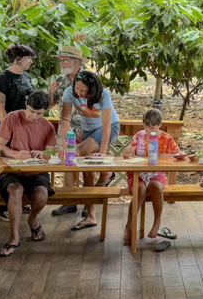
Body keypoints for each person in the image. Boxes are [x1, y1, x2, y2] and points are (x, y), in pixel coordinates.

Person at [0, 91, 56, 257]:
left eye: (39, 113)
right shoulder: (12, 118)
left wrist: (42, 154)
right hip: (10, 170)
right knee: (16, 190)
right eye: (31, 112)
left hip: (35, 170)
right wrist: (14, 154)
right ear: (26, 105)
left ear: (45, 111)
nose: (34, 116)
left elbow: (50, 153)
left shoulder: (48, 127)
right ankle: (14, 238)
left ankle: (32, 219)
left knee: (41, 195)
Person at [60, 70, 120, 231]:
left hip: (109, 128)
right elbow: (65, 119)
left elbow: (106, 125)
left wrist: (103, 152)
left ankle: (81, 202)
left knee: (78, 153)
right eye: (76, 89)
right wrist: (65, 144)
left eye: (83, 91)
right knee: (78, 161)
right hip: (88, 130)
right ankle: (82, 207)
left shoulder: (103, 94)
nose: (78, 93)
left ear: (91, 90)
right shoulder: (69, 93)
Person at [122, 108, 180, 250]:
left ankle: (156, 222)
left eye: (152, 128)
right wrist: (127, 153)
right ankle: (129, 226)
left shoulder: (166, 138)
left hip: (156, 172)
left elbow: (178, 155)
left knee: (157, 186)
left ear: (159, 125)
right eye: (146, 127)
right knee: (140, 189)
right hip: (138, 172)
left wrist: (162, 157)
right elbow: (128, 155)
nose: (148, 131)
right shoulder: (139, 136)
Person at [0, 44, 35, 222]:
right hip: (7, 129)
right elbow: (0, 108)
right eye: (29, 58)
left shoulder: (26, 77)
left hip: (24, 128)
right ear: (19, 59)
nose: (31, 62)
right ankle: (3, 207)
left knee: (21, 165)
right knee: (6, 165)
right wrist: (8, 130)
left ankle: (20, 201)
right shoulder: (1, 78)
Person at [48, 46, 87, 217]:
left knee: (86, 165)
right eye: (60, 60)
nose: (61, 63)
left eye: (64, 60)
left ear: (76, 62)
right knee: (67, 164)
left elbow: (99, 104)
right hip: (65, 129)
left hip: (86, 129)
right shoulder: (60, 79)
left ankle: (89, 202)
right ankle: (69, 202)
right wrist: (50, 94)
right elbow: (50, 105)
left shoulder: (90, 79)